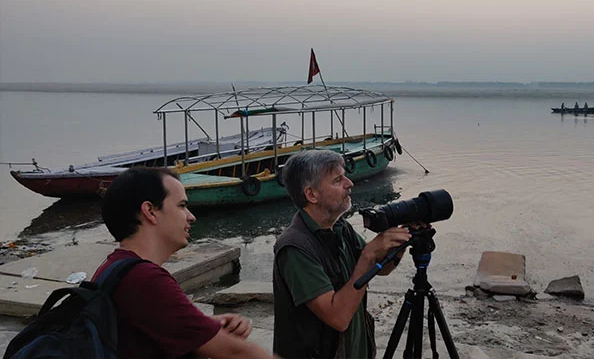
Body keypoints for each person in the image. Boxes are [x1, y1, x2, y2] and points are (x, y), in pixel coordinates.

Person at [93, 167, 276, 359]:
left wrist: (202, 326)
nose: (191, 216)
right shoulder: (146, 280)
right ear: (150, 211)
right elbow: (238, 353)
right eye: (181, 206)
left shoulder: (113, 268)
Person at [273, 150, 412, 359]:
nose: (349, 183)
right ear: (311, 195)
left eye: (344, 176)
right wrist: (368, 254)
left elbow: (380, 269)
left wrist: (399, 243)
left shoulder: (340, 228)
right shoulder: (295, 248)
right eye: (338, 180)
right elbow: (338, 318)